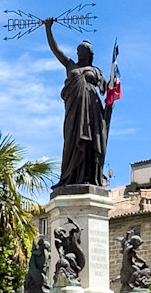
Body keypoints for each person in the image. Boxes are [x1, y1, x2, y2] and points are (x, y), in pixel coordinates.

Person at [44, 18, 109, 189]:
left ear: (89, 54)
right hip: (73, 111)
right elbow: (55, 50)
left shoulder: (96, 71)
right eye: (79, 50)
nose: (80, 53)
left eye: (84, 51)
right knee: (71, 141)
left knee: (90, 142)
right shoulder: (70, 66)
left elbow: (107, 89)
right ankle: (68, 176)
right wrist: (48, 29)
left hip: (92, 111)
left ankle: (88, 175)